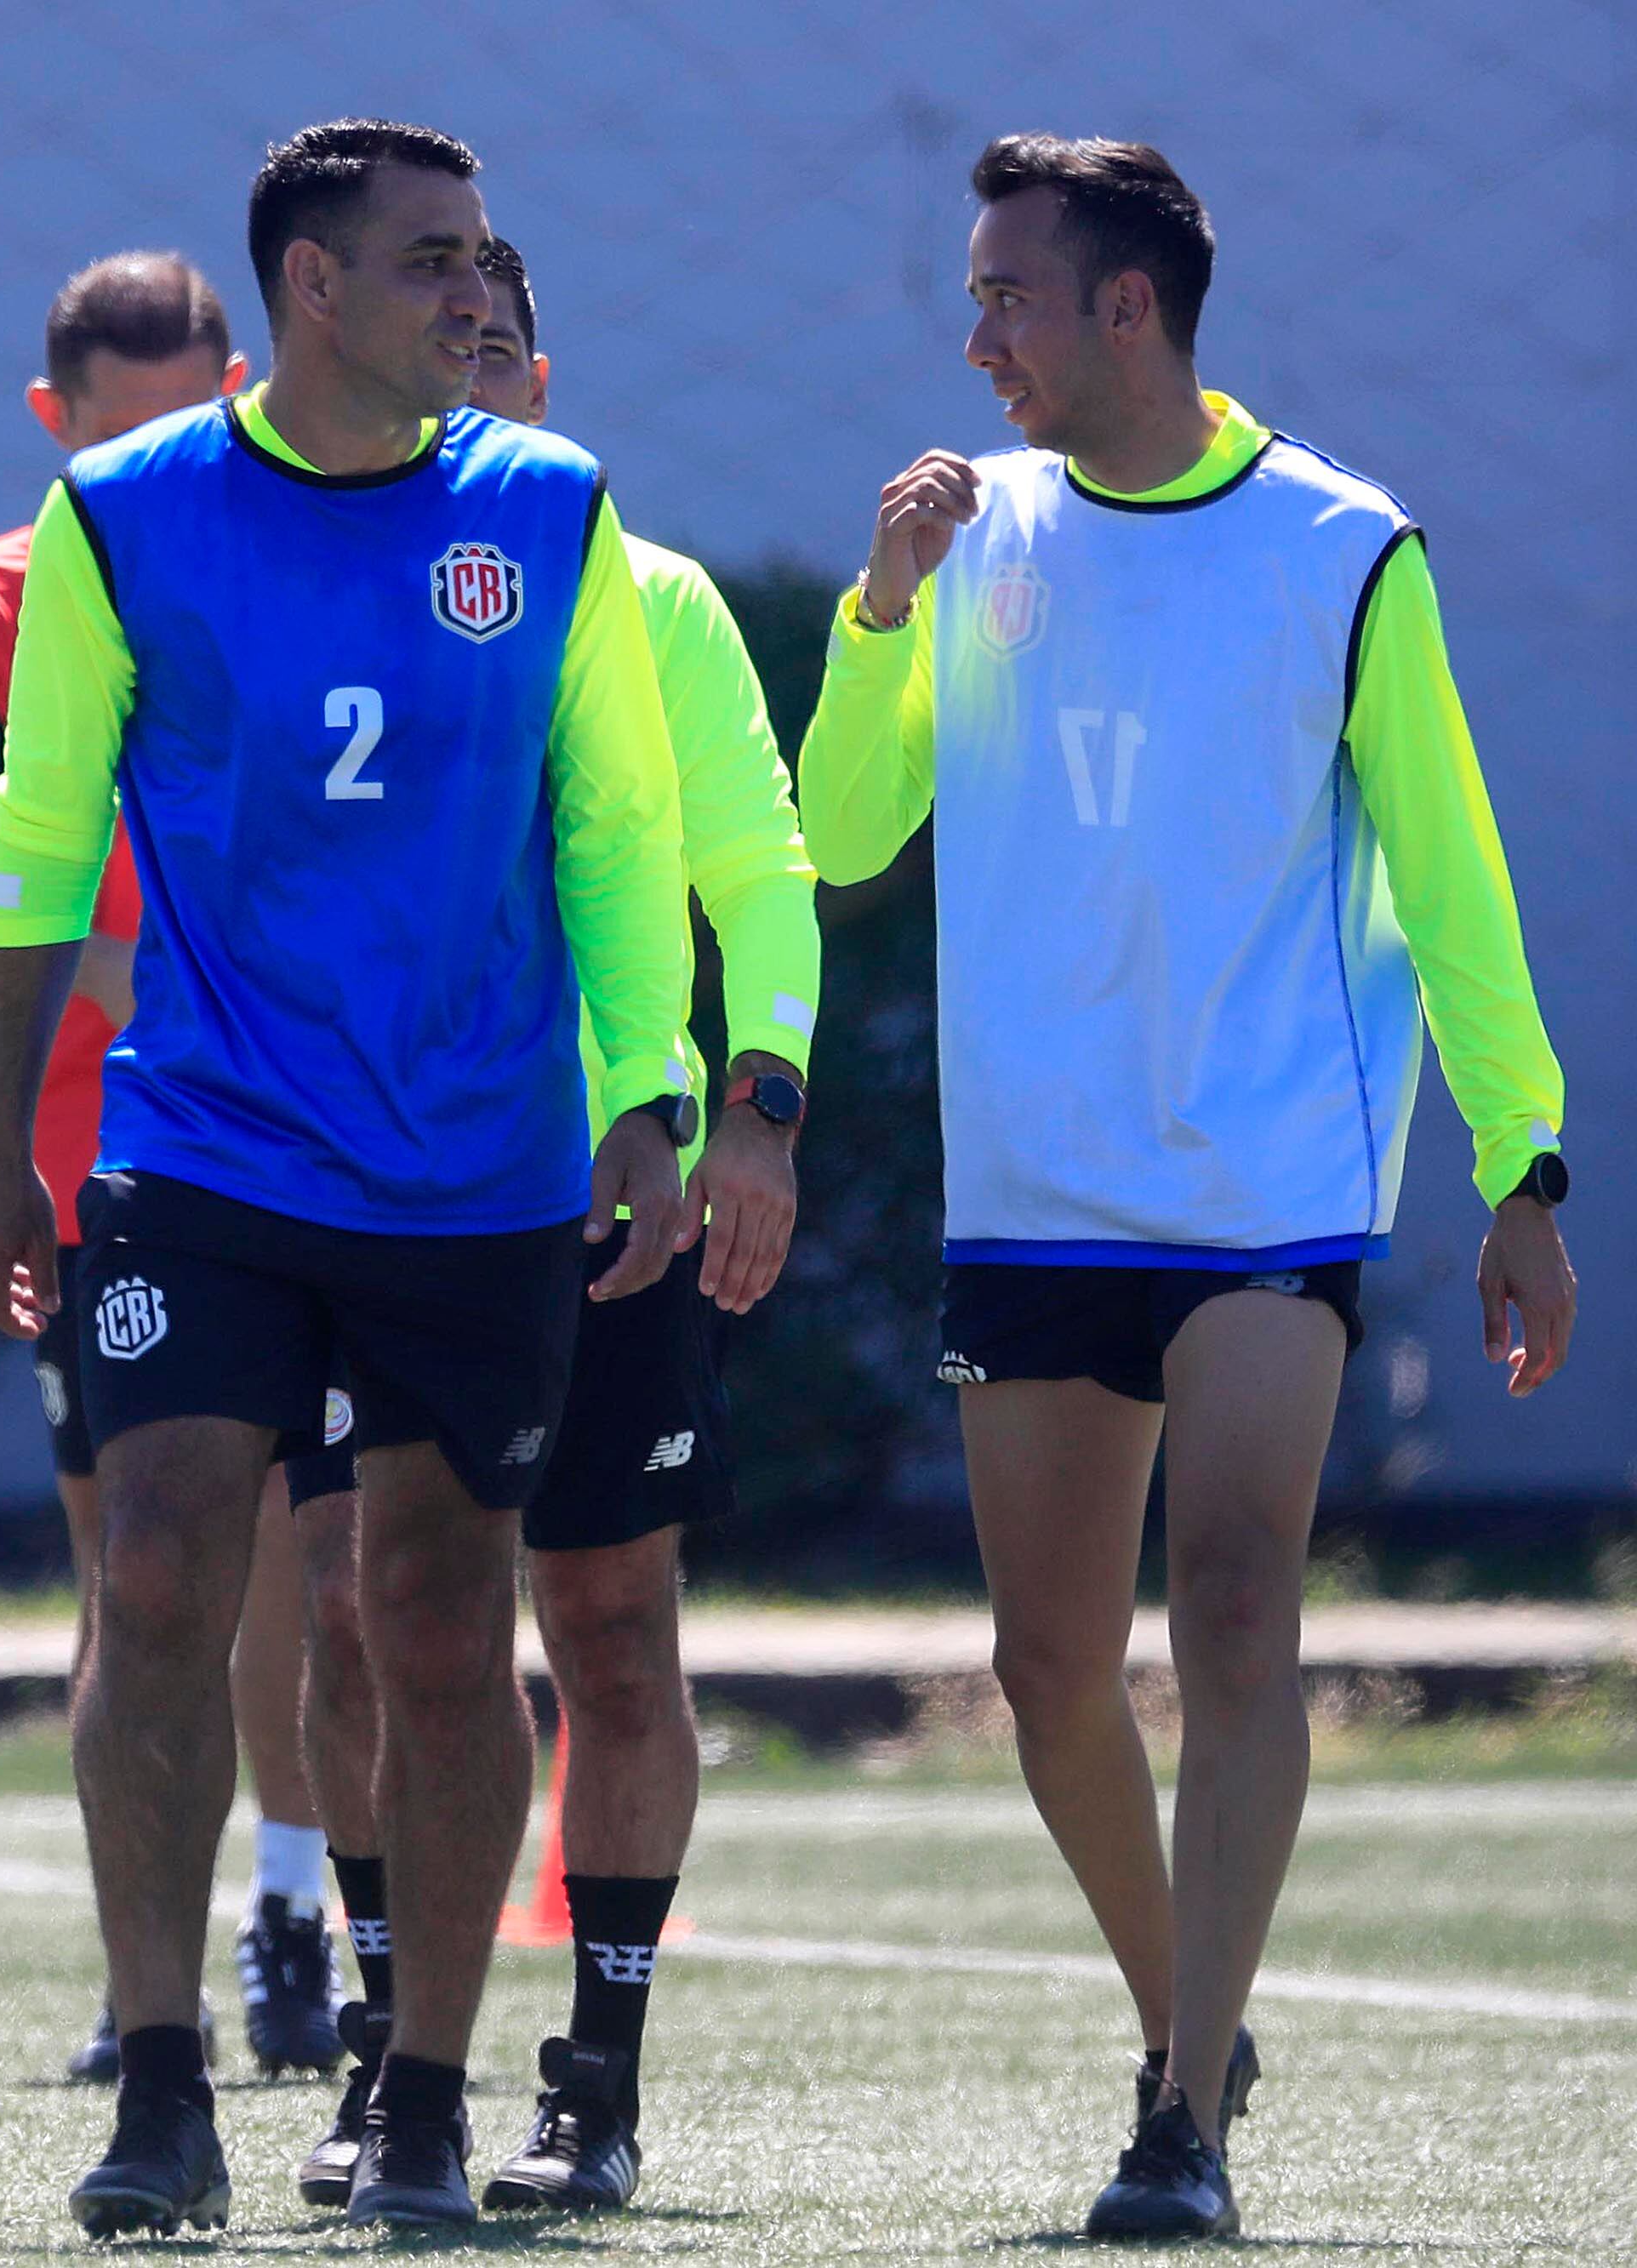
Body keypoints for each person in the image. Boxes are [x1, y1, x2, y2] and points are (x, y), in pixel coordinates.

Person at [798, 134, 1576, 2242]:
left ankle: (1179, 2137)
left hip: (1264, 1178)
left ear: (1121, 305)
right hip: (1033, 1184)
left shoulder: (1339, 545)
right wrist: (875, 611)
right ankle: (1186, 2029)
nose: (973, 341)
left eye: (1004, 299)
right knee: (1046, 1666)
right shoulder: (960, 538)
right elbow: (841, 839)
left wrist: (1521, 1161)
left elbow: (1449, 867)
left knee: (1231, 1602)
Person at [0, 117, 694, 2233]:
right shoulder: (123, 514)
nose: (476, 293)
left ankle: (433, 2089)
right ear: (307, 288)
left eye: (477, 258)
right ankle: (161, 2076)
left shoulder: (544, 512)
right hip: (202, 1145)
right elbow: (34, 848)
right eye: (430, 260)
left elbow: (614, 833)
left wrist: (639, 1099)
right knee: (168, 1566)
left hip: (472, 1167)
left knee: (440, 1617)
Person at [282, 235, 819, 2214]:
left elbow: (755, 871)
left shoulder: (637, 592)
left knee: (604, 1619)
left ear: (536, 368)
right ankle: (381, 2035)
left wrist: (746, 1110)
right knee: (354, 1611)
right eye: (437, 340)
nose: (468, 376)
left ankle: (590, 2072)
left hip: (608, 1193)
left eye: (496, 346)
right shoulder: (295, 565)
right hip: (361, 1194)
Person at [0, 251, 339, 2086]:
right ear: (52, 422)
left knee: (317, 1574)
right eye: (126, 425)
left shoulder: (299, 556)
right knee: (139, 1571)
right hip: (103, 1157)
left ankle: (302, 1916)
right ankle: (141, 1959)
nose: (170, 458)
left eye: (197, 415)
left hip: (315, 1140)